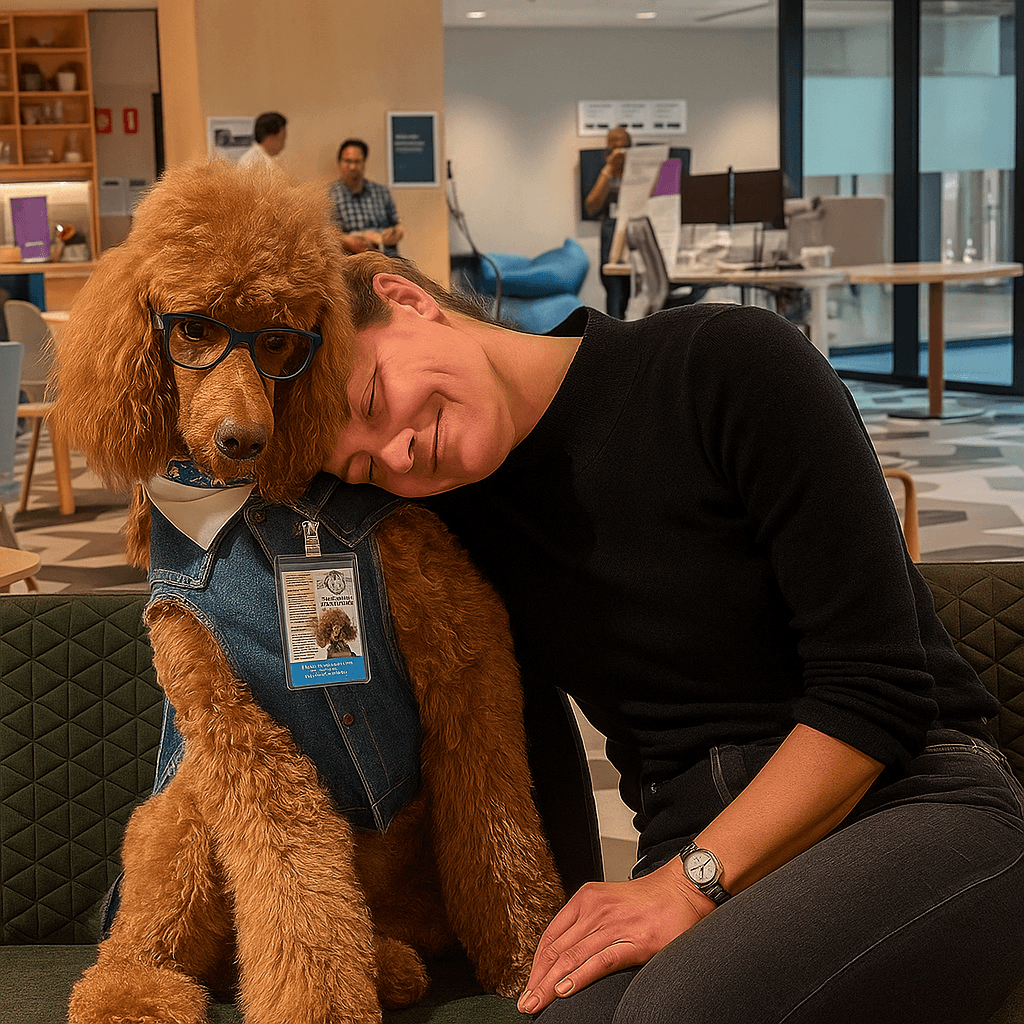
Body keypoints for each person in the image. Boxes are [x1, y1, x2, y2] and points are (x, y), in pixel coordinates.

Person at [326, 250, 1024, 1024]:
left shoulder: (725, 361)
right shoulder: (454, 520)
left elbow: (878, 690)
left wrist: (689, 884)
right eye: (362, 467)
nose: (394, 453)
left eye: (373, 398)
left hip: (907, 802)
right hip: (686, 835)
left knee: (678, 1012)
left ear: (404, 298)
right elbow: (514, 743)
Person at [585, 126, 631, 320]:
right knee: (614, 288)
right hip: (612, 230)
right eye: (614, 148)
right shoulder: (604, 171)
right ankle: (615, 327)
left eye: (624, 148)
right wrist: (610, 168)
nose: (620, 152)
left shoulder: (639, 170)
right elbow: (591, 206)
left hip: (636, 229)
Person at [329, 138, 404, 257]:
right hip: (352, 261)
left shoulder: (381, 192)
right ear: (339, 163)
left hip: (387, 258)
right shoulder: (329, 195)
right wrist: (346, 239)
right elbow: (325, 234)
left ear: (364, 163)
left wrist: (392, 235)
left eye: (357, 161)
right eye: (347, 161)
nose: (352, 167)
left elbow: (397, 226)